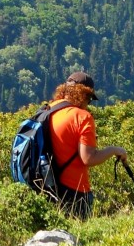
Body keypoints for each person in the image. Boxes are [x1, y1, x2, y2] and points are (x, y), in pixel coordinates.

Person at [47, 71, 127, 220]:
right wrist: (115, 150)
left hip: (49, 186)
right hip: (74, 191)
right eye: (89, 98)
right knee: (78, 239)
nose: (88, 104)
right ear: (83, 94)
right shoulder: (82, 116)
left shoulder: (49, 110)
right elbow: (88, 159)